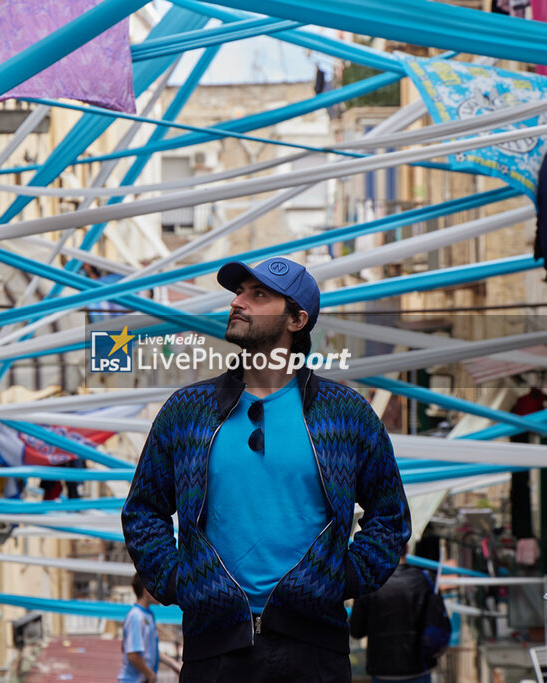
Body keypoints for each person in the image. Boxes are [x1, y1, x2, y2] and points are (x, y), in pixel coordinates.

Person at [122, 257, 411, 682]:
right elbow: (144, 510)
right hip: (212, 650)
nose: (238, 302)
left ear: (297, 319)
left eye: (258, 295)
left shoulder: (345, 414)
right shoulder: (186, 413)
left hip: (316, 651)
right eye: (238, 292)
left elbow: (390, 515)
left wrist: (342, 577)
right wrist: (177, 580)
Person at [349, 549, 452, 683]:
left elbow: (356, 631)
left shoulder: (369, 583)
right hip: (418, 667)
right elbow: (439, 622)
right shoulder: (425, 579)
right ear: (407, 549)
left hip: (381, 670)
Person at [118, 573, 160, 683]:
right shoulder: (136, 616)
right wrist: (150, 675)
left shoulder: (149, 615)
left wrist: (173, 664)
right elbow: (132, 654)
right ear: (146, 591)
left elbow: (149, 648)